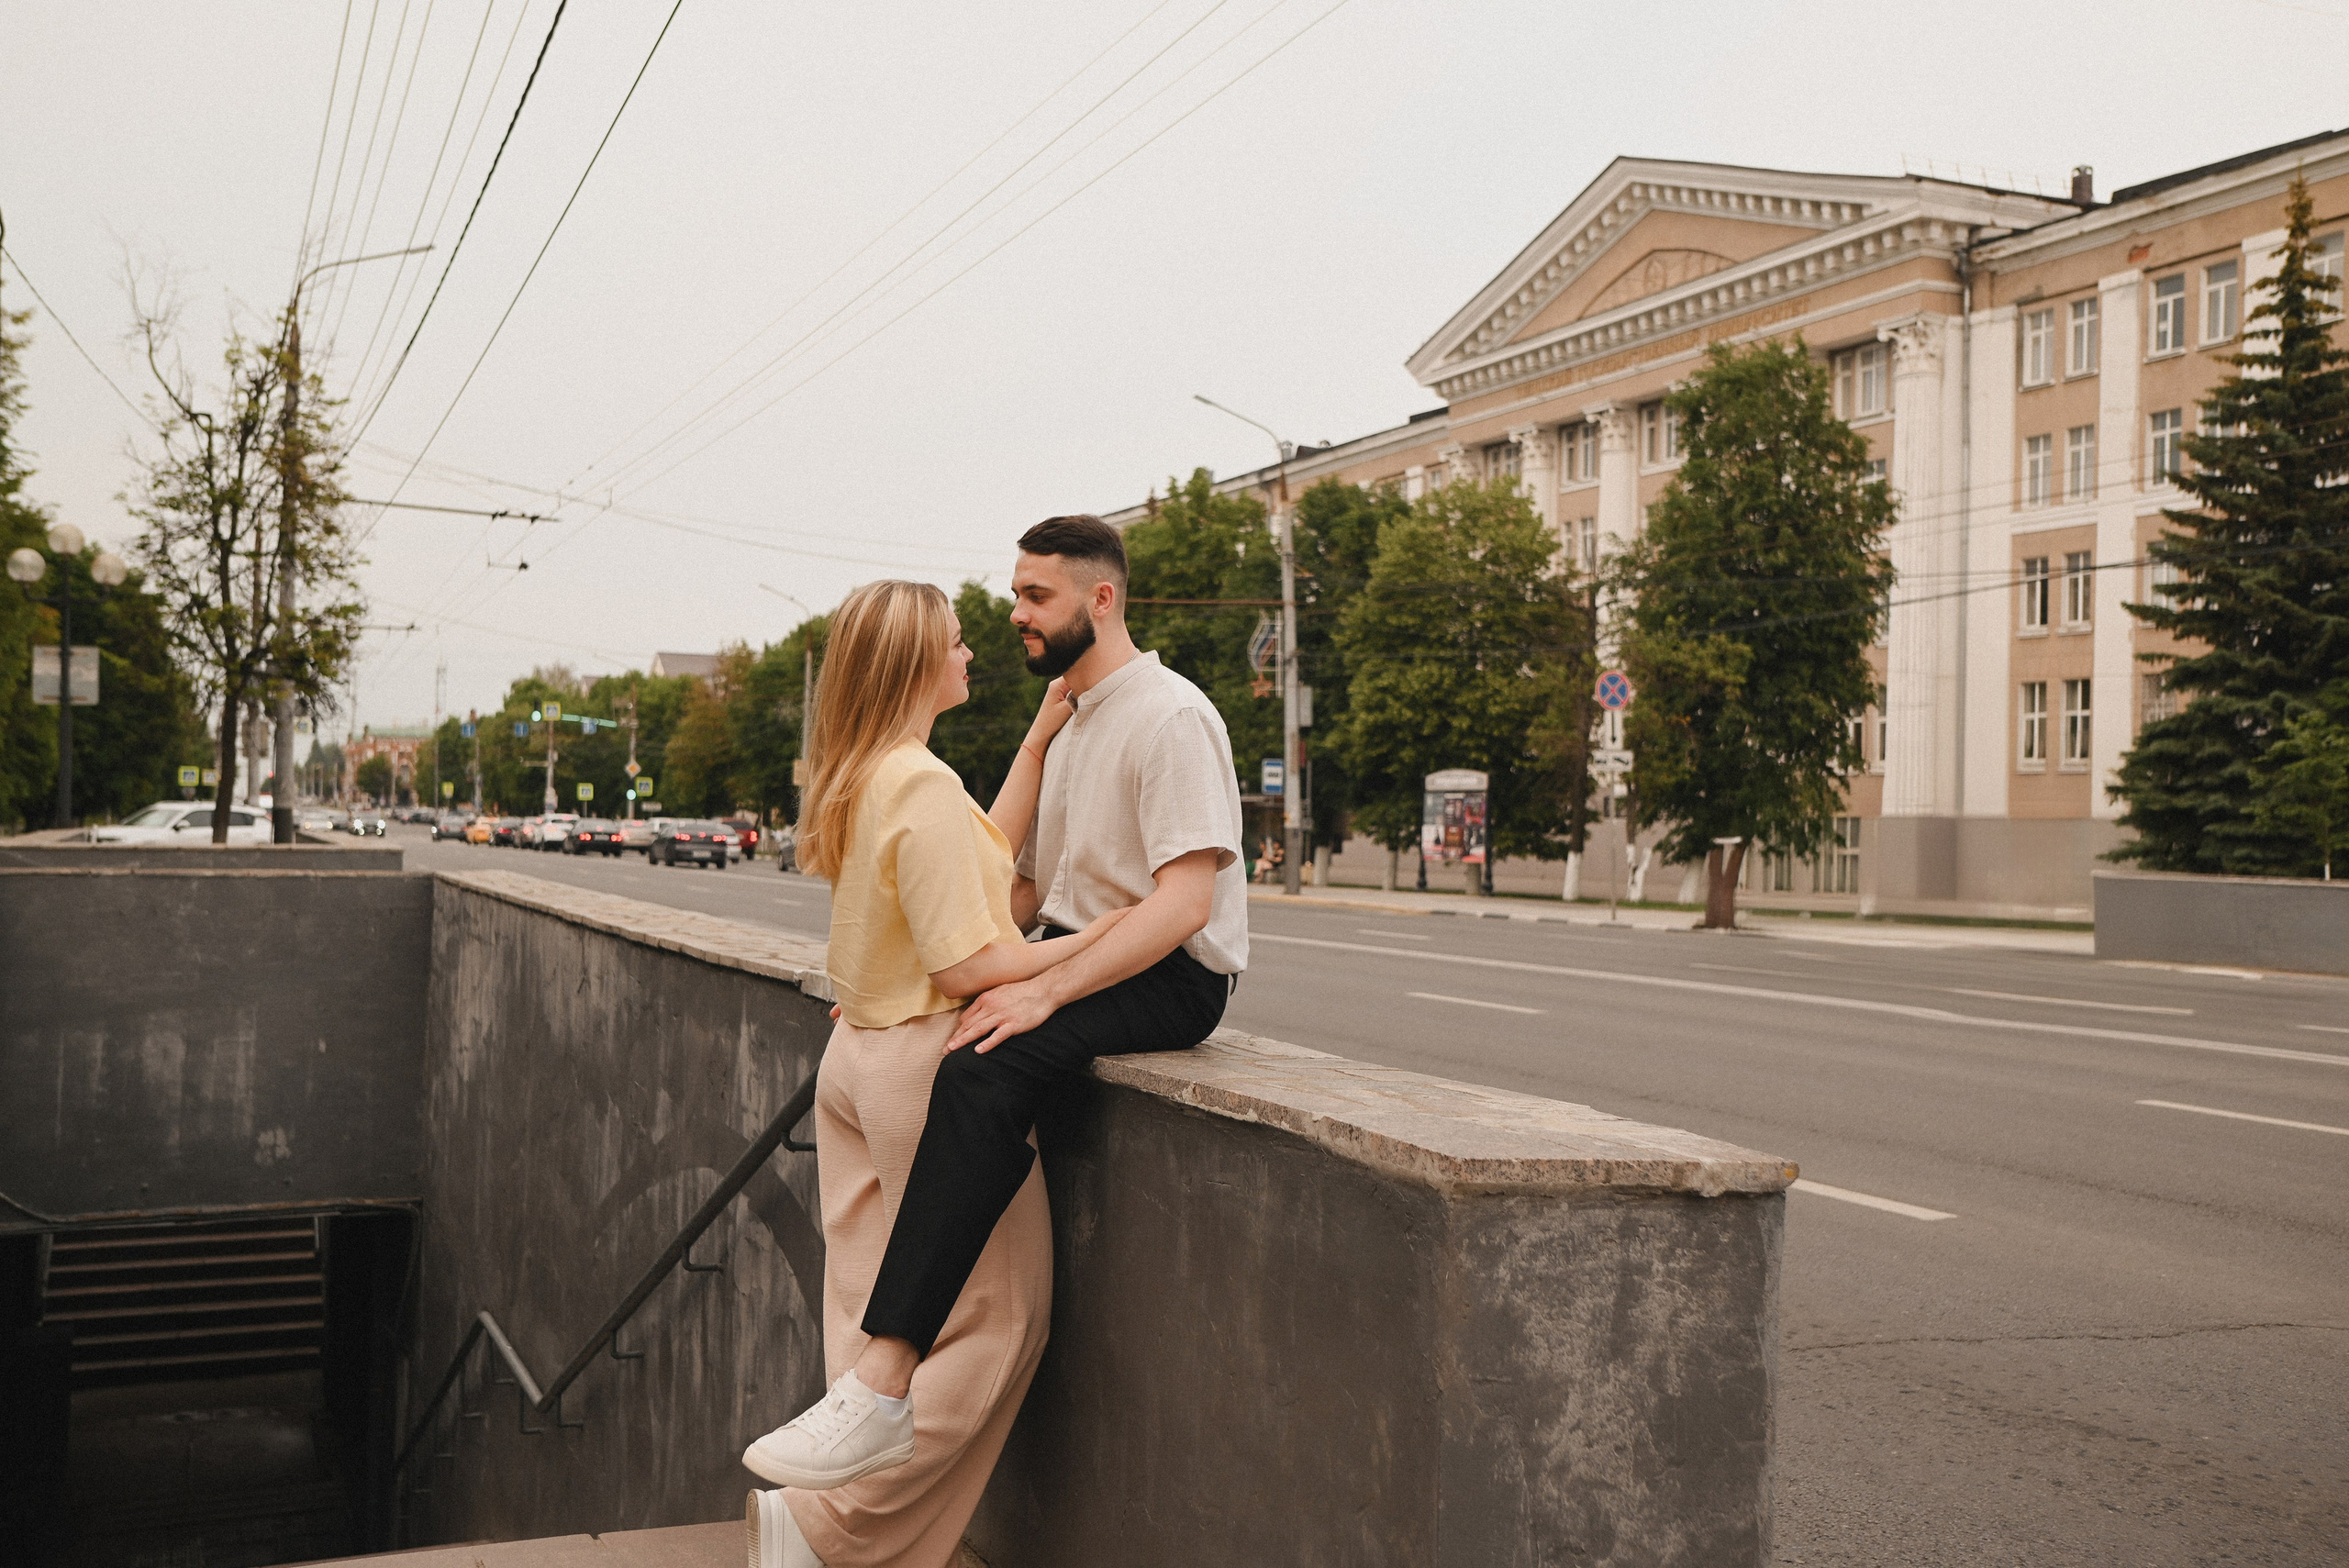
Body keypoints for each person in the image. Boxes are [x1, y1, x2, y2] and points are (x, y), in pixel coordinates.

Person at [758, 513, 1249, 1494]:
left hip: (1165, 973)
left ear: (1099, 599)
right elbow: (1010, 887)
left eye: (1036, 596)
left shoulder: (1171, 714)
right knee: (969, 1049)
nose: (1013, 615)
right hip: (1070, 950)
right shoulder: (1071, 719)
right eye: (1013, 594)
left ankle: (886, 1377)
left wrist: (1046, 986)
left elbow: (1185, 906)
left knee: (985, 1066)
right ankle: (876, 1392)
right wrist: (894, 987)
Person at [740, 579, 1126, 1568]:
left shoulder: (870, 771)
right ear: (918, 662)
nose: (971, 654)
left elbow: (981, 869)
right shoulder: (918, 781)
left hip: (855, 1060)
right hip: (921, 1068)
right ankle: (827, 1531)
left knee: (866, 1302)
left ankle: (832, 1515)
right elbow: (971, 965)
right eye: (956, 643)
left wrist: (1038, 742)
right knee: (998, 1324)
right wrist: (1105, 938)